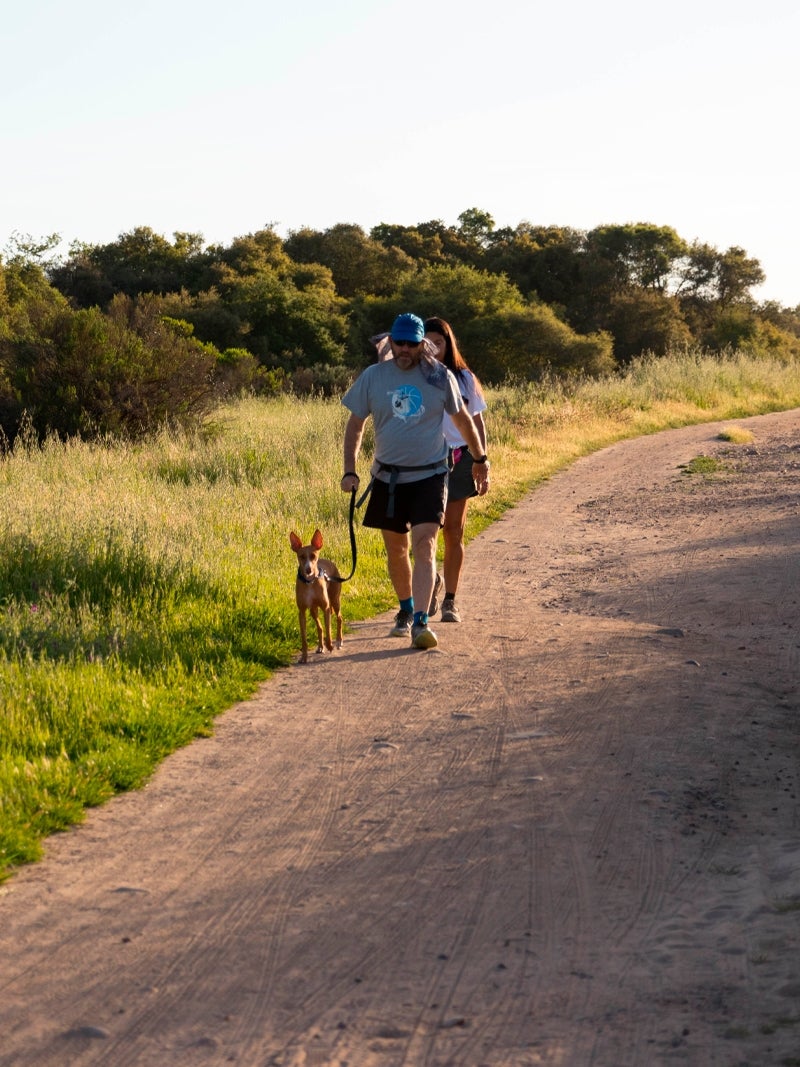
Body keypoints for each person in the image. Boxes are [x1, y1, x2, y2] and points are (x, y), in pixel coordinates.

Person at [341, 313, 489, 650]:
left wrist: (480, 459)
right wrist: (350, 470)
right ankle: (405, 610)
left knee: (425, 544)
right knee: (397, 550)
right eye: (400, 342)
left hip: (431, 475)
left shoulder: (439, 378)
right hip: (387, 477)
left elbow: (464, 421)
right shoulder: (373, 377)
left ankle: (421, 622)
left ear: (422, 344)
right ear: (391, 342)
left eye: (412, 343)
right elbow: (355, 426)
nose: (405, 349)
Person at [424, 316, 488, 623]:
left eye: (440, 341)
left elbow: (476, 421)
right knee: (427, 531)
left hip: (461, 459)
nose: (434, 347)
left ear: (449, 344)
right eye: (429, 341)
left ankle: (450, 599)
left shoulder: (464, 378)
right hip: (425, 461)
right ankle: (430, 580)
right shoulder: (416, 376)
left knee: (454, 531)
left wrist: (482, 460)